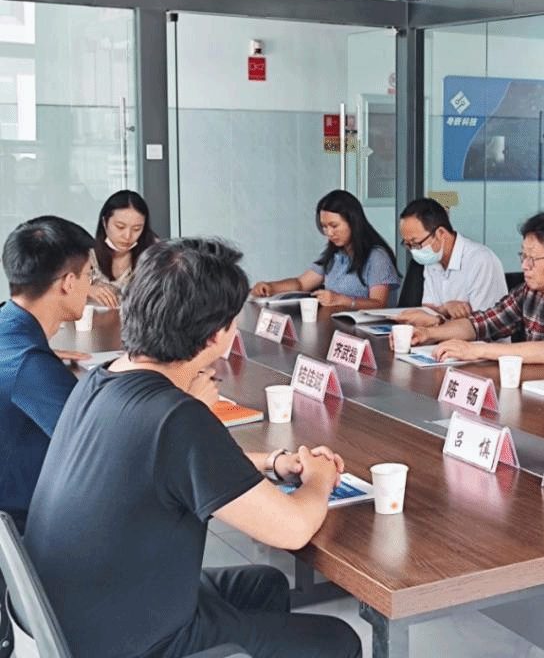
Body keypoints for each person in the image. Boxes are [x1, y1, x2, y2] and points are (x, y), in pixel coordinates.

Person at [25, 238, 361, 658]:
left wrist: (273, 462)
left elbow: (168, 465)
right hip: (132, 641)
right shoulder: (176, 417)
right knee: (339, 641)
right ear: (218, 335)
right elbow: (291, 529)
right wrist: (319, 480)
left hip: (76, 611)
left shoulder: (101, 379)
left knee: (266, 585)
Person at [411, 210, 544, 366]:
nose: (525, 266)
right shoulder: (531, 291)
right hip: (542, 389)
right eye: (523, 256)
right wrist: (428, 334)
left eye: (533, 259)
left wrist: (474, 350)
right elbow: (482, 323)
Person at [0, 215, 93, 533]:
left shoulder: (9, 330)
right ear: (69, 282)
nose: (90, 286)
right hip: (23, 529)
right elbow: (101, 445)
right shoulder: (31, 366)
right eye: (89, 275)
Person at [250, 189, 400, 311]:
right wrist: (270, 287)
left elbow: (379, 303)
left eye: (334, 226)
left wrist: (341, 300)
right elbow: (301, 283)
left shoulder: (377, 257)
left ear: (353, 222)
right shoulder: (335, 254)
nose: (329, 233)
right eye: (324, 227)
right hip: (336, 325)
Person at [394, 197, 507, 326]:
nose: (413, 251)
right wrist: (445, 309)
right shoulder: (433, 260)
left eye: (416, 244)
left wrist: (439, 317)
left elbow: (484, 326)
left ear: (441, 233)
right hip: (443, 335)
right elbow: (428, 310)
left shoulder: (481, 261)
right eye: (408, 245)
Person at [88, 190, 158, 308]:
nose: (127, 236)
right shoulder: (86, 255)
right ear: (104, 222)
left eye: (136, 229)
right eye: (120, 227)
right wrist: (87, 290)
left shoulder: (154, 254)